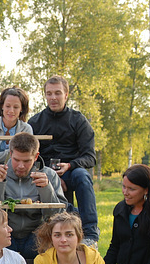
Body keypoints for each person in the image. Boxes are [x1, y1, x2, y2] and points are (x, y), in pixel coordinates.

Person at [28, 76, 99, 247]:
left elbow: (90, 157)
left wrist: (70, 165)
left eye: (57, 93)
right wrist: (52, 177)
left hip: (72, 171)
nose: (53, 97)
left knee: (82, 176)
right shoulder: (35, 122)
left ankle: (90, 234)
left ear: (66, 95)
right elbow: (29, 155)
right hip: (45, 173)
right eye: (49, 93)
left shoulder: (78, 120)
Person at [0, 132, 67, 260]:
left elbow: (57, 217)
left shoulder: (49, 175)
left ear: (36, 156)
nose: (21, 166)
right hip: (4, 232)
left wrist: (46, 189)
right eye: (16, 160)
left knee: (40, 244)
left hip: (37, 232)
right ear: (10, 154)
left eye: (27, 161)